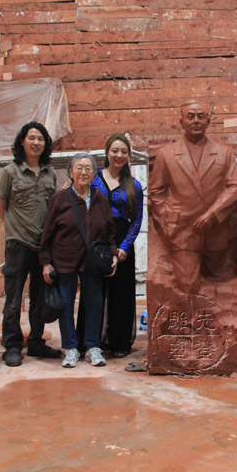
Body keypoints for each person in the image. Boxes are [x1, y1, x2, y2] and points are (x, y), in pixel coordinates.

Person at [148, 100, 237, 291]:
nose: (196, 121)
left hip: (216, 230)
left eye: (201, 116)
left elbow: (236, 187)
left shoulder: (224, 153)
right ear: (181, 122)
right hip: (182, 230)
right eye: (190, 117)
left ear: (208, 121)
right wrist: (167, 222)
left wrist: (212, 215)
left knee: (222, 287)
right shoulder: (166, 154)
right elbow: (156, 192)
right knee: (188, 286)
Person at [39, 153, 118, 368]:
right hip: (64, 259)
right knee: (66, 304)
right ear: (71, 172)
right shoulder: (59, 199)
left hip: (92, 261)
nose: (84, 172)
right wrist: (46, 261)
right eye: (79, 168)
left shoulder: (101, 199)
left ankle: (92, 347)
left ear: (94, 173)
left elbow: (110, 232)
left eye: (88, 168)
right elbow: (47, 232)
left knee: (94, 303)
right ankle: (71, 348)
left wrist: (113, 254)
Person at [0, 122, 62, 367]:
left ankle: (35, 343)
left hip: (42, 246)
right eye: (31, 137)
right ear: (22, 142)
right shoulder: (10, 172)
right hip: (18, 244)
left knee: (39, 298)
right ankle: (12, 346)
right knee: (13, 300)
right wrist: (14, 228)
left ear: (45, 144)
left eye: (40, 138)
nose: (36, 142)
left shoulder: (50, 174)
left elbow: (52, 209)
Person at [85, 134, 143, 358]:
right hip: (96, 239)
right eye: (115, 150)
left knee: (120, 293)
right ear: (107, 153)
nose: (119, 155)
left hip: (121, 239)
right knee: (95, 292)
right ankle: (91, 341)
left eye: (124, 152)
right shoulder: (93, 179)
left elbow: (137, 219)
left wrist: (125, 247)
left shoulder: (134, 185)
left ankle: (119, 342)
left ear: (128, 156)